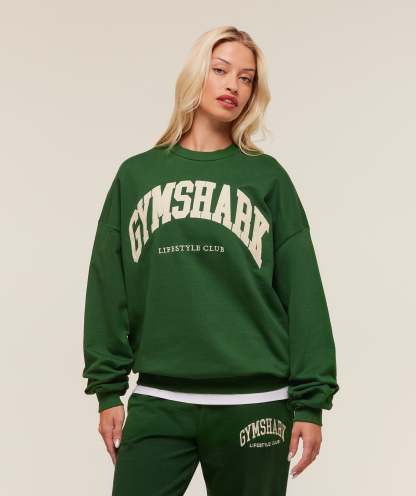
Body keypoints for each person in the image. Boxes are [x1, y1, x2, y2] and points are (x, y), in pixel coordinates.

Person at [82, 25, 340, 496]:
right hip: (160, 398)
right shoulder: (137, 175)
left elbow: (303, 292)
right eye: (220, 70)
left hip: (256, 404)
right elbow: (107, 284)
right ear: (196, 75)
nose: (233, 86)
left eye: (246, 78)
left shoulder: (266, 177)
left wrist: (311, 403)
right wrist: (107, 389)